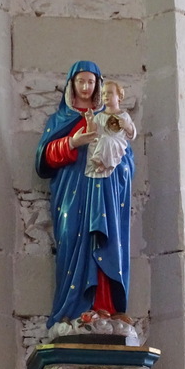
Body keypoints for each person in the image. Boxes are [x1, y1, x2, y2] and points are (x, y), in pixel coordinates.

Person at [35, 61, 135, 329]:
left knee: (104, 241)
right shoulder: (60, 120)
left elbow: (128, 159)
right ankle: (73, 308)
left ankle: (106, 308)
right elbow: (44, 159)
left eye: (91, 82)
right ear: (72, 85)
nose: (86, 87)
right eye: (81, 81)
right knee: (72, 241)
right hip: (72, 193)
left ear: (98, 86)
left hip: (104, 192)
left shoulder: (110, 119)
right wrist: (73, 142)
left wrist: (114, 161)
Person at [85, 80, 137, 178]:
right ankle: (101, 162)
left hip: (117, 143)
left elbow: (132, 134)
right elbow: (92, 132)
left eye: (109, 93)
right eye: (103, 93)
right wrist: (90, 121)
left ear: (119, 97)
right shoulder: (99, 116)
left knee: (106, 139)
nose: (105, 96)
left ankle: (101, 162)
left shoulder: (124, 115)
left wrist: (127, 126)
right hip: (101, 144)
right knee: (102, 140)